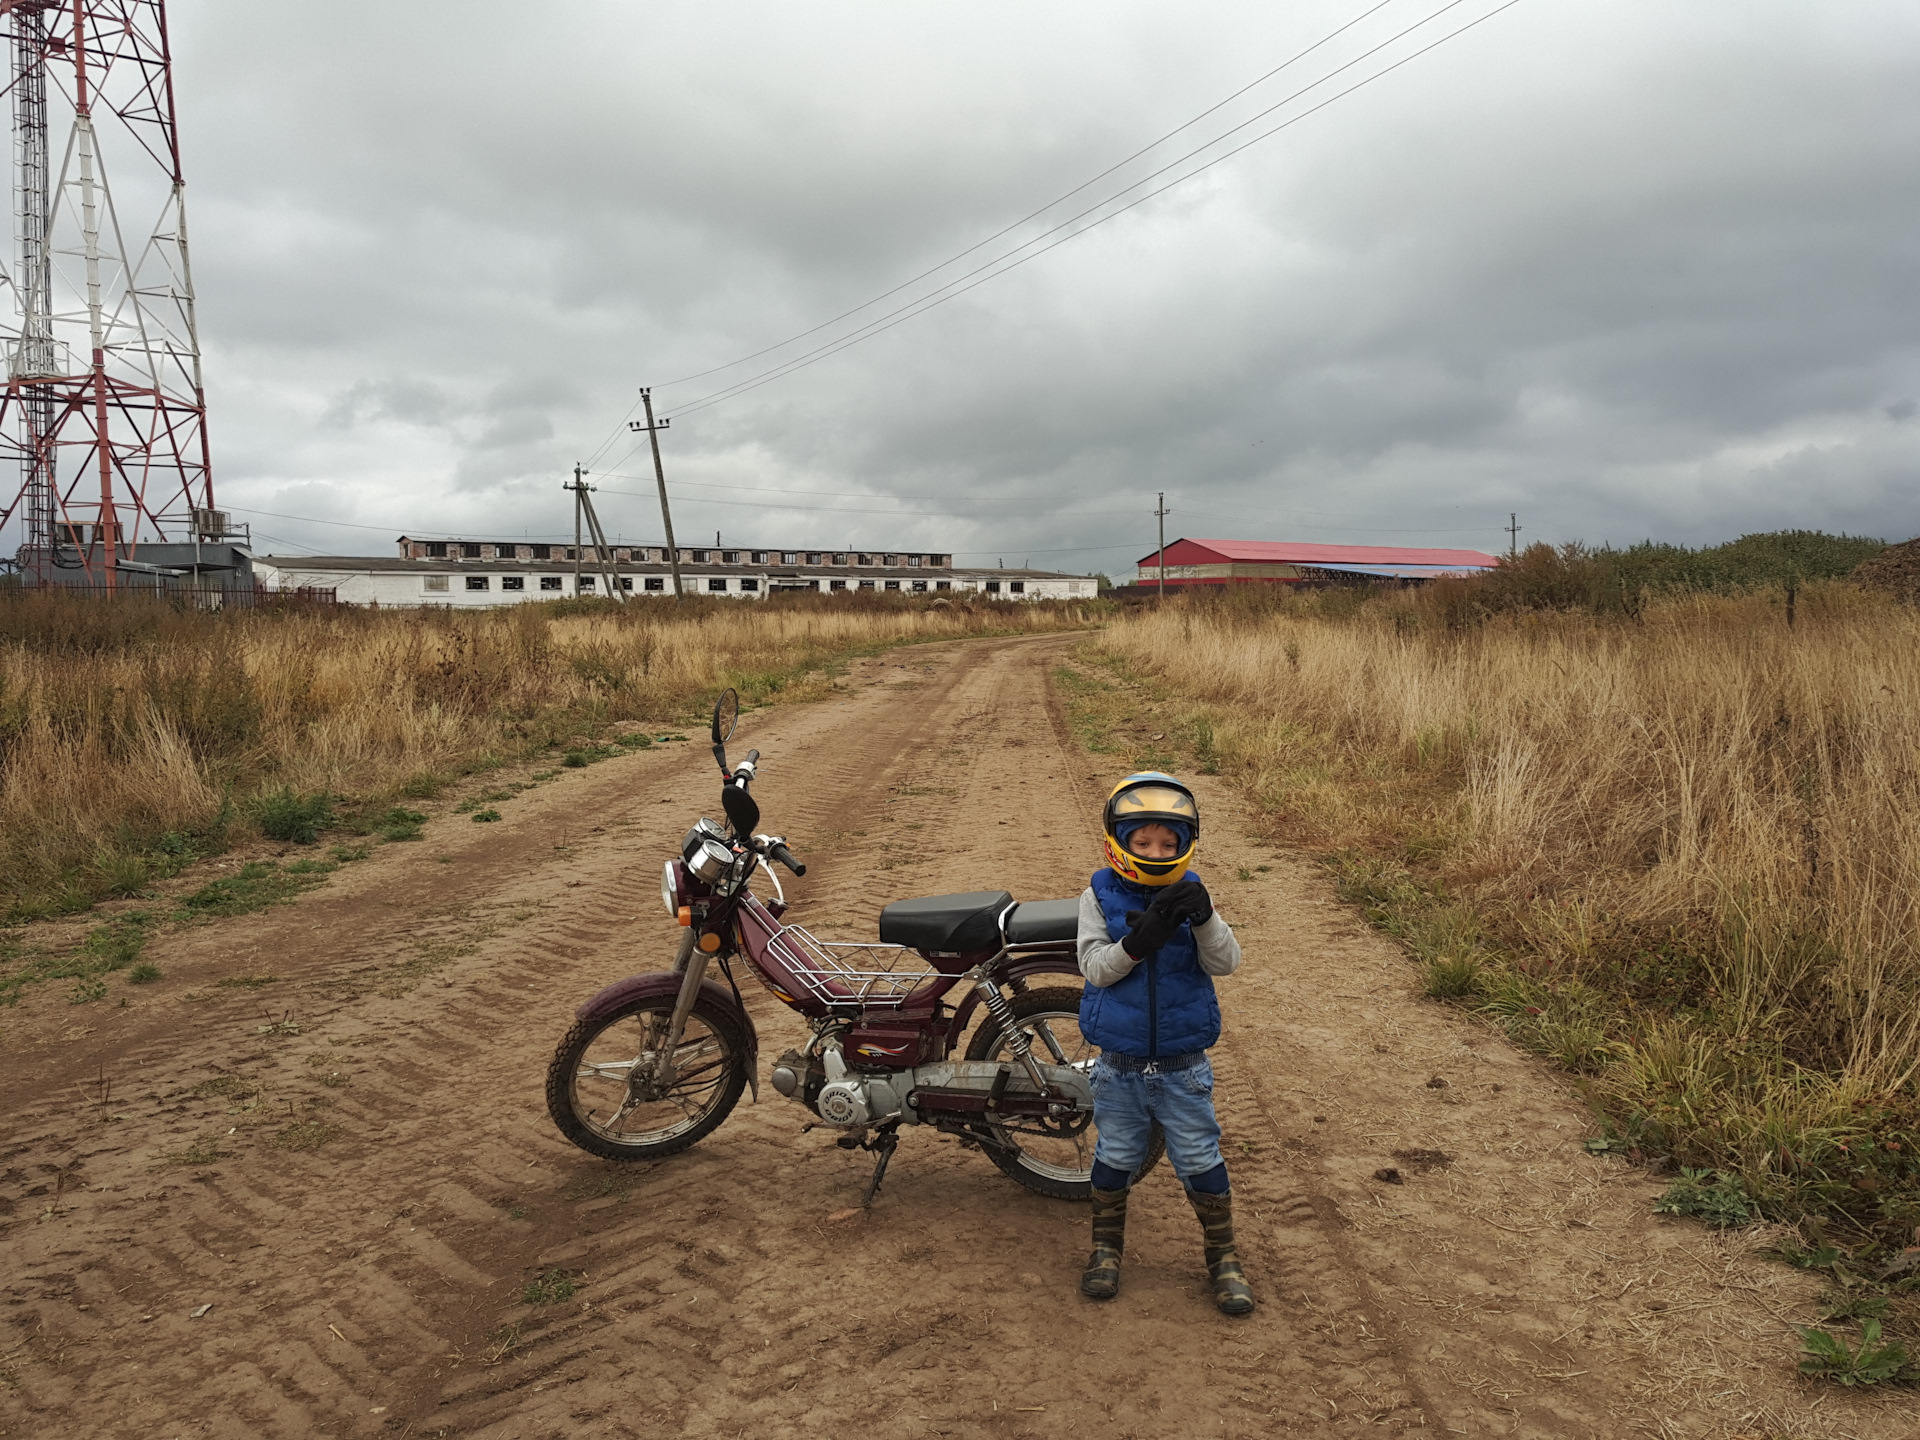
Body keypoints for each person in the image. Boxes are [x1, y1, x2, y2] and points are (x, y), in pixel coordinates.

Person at [1074, 771, 1252, 1316]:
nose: (1156, 850)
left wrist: (1203, 919)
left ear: (1186, 844)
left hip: (1182, 1065)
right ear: (1119, 841)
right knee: (1116, 1154)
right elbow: (1094, 969)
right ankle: (1106, 1248)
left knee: (1200, 1156)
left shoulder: (1196, 893)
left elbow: (1227, 962)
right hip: (1119, 1065)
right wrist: (1137, 941)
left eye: (1168, 843)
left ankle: (1223, 1258)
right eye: (1143, 841)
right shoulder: (1097, 895)